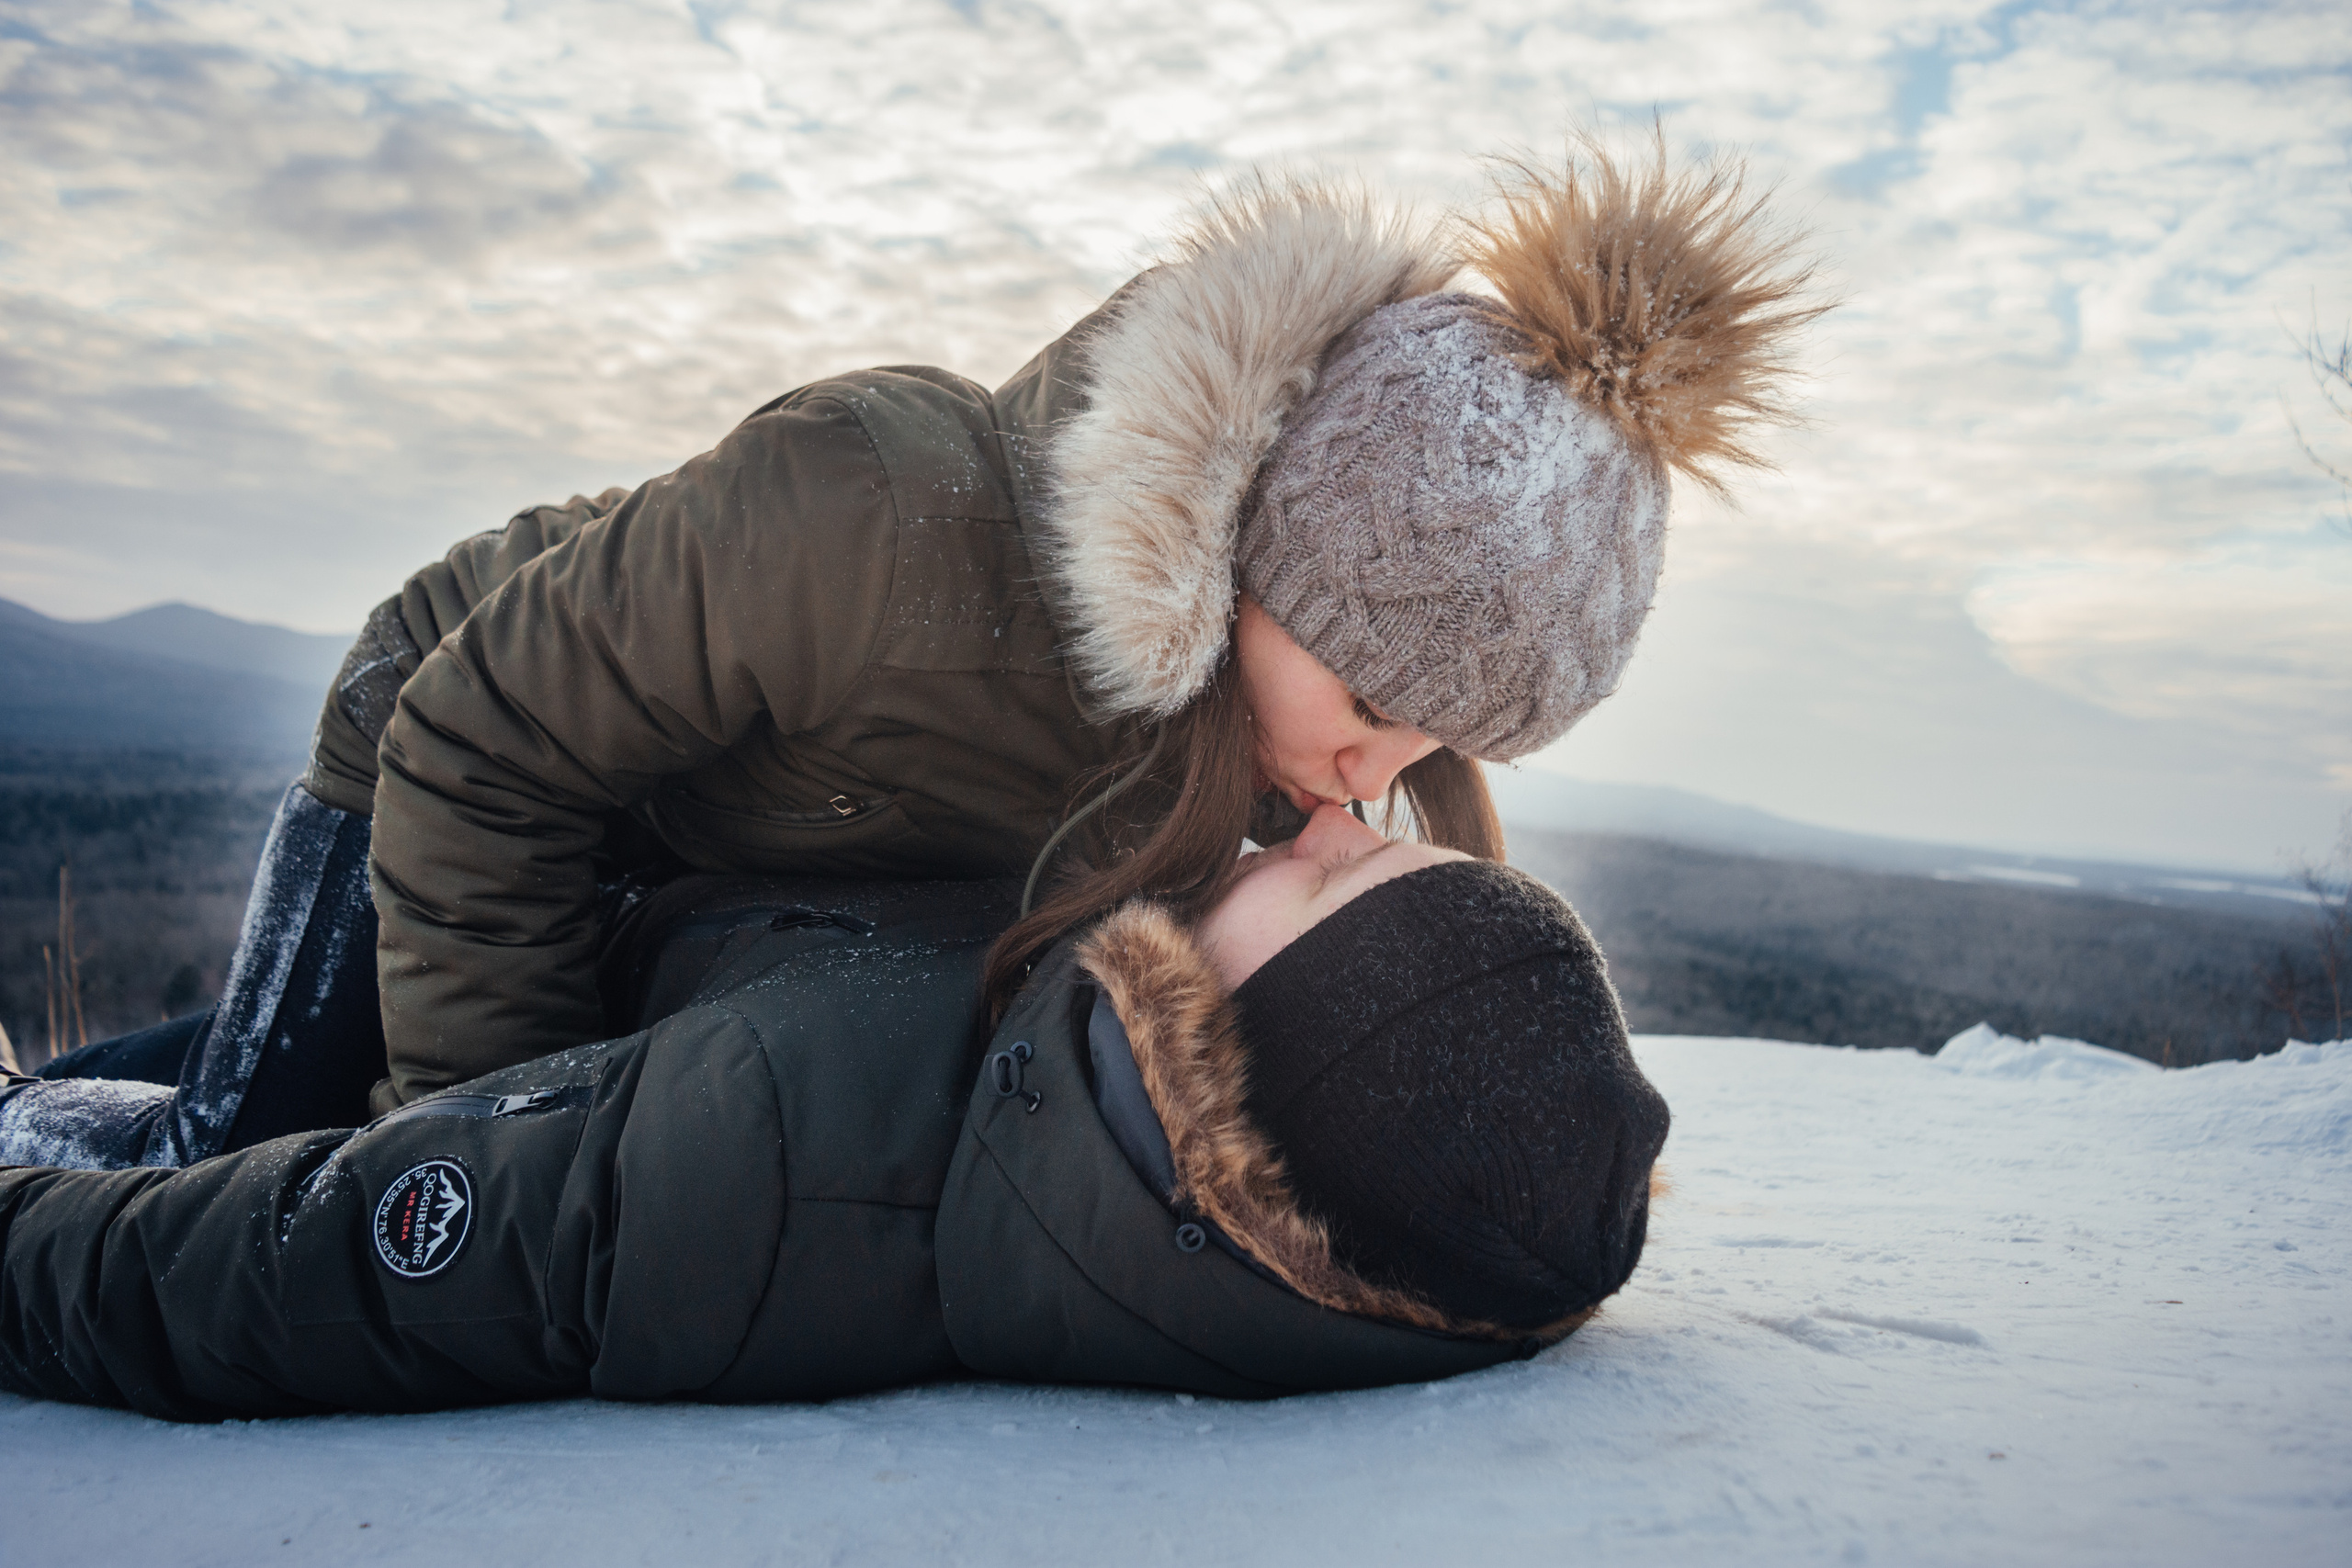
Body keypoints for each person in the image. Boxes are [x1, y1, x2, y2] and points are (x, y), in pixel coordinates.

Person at [0, 135, 1813, 1171]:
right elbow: (483, 744)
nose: (1374, 777)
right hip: (471, 759)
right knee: (239, 1165)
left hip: (726, 877)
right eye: (1365, 702)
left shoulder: (1299, 740)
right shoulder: (878, 509)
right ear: (1251, 543)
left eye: (1432, 734)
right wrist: (485, 1153)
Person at [0, 806, 1669, 1420]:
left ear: (1244, 1054)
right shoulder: (1099, 1042)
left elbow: (274, 1270)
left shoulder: (779, 1174)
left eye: (1343, 870)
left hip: (408, 1021)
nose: (1317, 817)